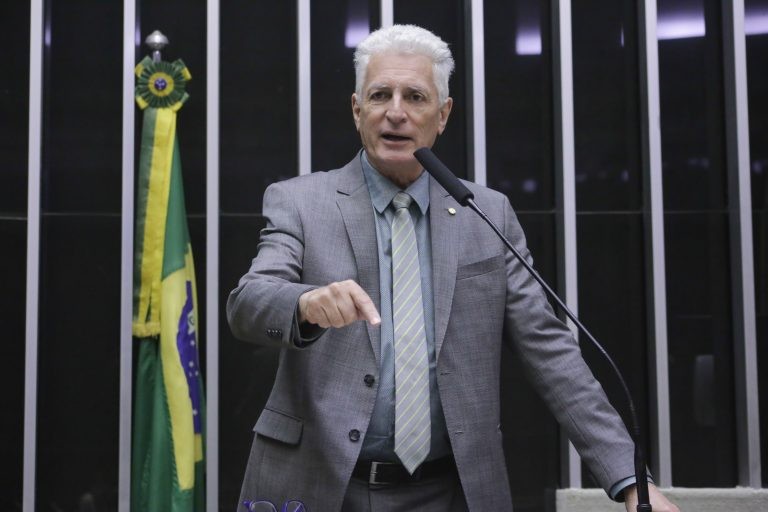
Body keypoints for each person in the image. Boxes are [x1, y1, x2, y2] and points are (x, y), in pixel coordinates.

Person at [228, 24, 679, 512]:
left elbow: (552, 355)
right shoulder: (300, 201)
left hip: (451, 492)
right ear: (357, 110)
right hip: (319, 483)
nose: (395, 112)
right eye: (380, 95)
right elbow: (248, 301)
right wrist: (304, 303)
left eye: (415, 97)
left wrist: (630, 481)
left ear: (442, 115)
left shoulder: (486, 213)